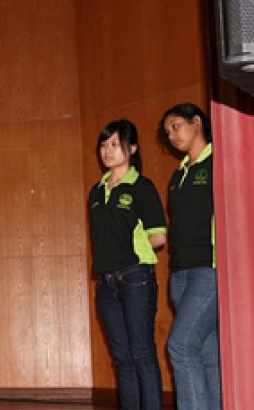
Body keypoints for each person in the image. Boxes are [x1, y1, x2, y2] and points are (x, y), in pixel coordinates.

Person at [87, 119, 167, 410]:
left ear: (132, 148)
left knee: (142, 353)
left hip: (136, 278)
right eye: (104, 145)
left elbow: (158, 237)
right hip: (105, 284)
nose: (107, 151)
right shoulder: (96, 192)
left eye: (115, 145)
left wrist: (134, 244)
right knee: (121, 358)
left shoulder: (142, 187)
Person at [158, 103, 221, 410]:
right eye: (168, 131)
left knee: (181, 346)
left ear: (197, 122)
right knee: (208, 355)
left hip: (210, 270)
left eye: (176, 126)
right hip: (180, 274)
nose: (172, 135)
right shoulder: (177, 176)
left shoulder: (218, 163)